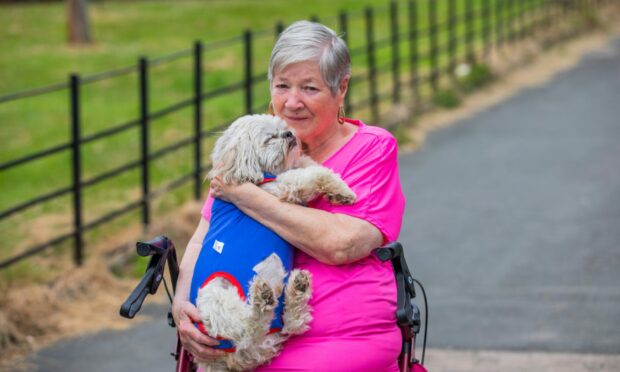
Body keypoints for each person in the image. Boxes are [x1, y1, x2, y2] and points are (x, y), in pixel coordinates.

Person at [172, 20, 406, 371]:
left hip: (341, 337)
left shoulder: (371, 149)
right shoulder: (253, 146)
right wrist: (183, 306)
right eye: (282, 86)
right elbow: (201, 241)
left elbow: (341, 244)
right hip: (244, 334)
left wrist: (247, 196)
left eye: (309, 88)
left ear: (341, 88)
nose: (291, 102)